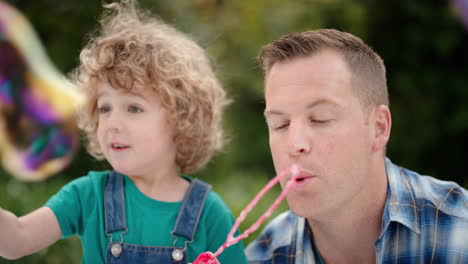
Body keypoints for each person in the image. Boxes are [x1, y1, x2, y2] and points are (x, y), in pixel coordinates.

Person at [0, 1, 248, 263]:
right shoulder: (88, 196)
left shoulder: (210, 214)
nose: (112, 123)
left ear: (180, 120)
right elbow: (17, 240)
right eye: (105, 108)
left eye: (133, 108)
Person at [245, 29, 468, 263]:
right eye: (280, 124)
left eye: (321, 118)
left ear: (378, 128)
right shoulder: (263, 257)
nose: (295, 144)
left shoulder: (459, 232)